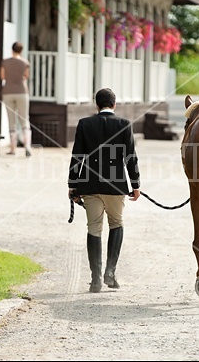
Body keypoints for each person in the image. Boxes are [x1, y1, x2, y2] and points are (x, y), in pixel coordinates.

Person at [68, 87, 141, 293]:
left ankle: (95, 280)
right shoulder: (124, 125)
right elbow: (130, 158)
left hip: (90, 185)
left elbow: (77, 157)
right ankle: (110, 271)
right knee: (116, 223)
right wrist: (135, 185)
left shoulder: (85, 124)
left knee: (94, 228)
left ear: (96, 104)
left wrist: (72, 185)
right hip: (115, 185)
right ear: (114, 104)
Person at [0, 41, 32, 157]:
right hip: (22, 92)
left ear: (12, 49)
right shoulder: (25, 63)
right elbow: (26, 76)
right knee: (24, 119)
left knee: (11, 120)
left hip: (8, 92)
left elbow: (2, 76)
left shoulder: (5, 62)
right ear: (21, 50)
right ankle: (27, 145)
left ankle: (13, 148)